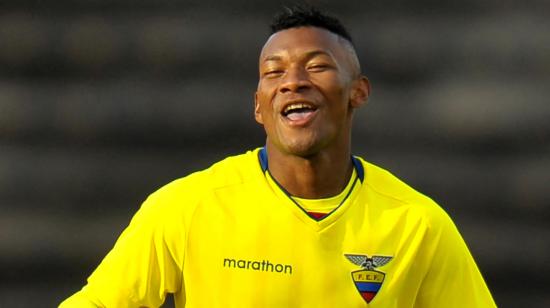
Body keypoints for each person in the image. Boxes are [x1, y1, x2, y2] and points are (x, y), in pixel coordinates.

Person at [60, 5, 496, 307]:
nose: (292, 82)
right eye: (274, 72)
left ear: (358, 92)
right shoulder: (188, 207)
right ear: (259, 106)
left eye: (317, 65)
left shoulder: (417, 225)